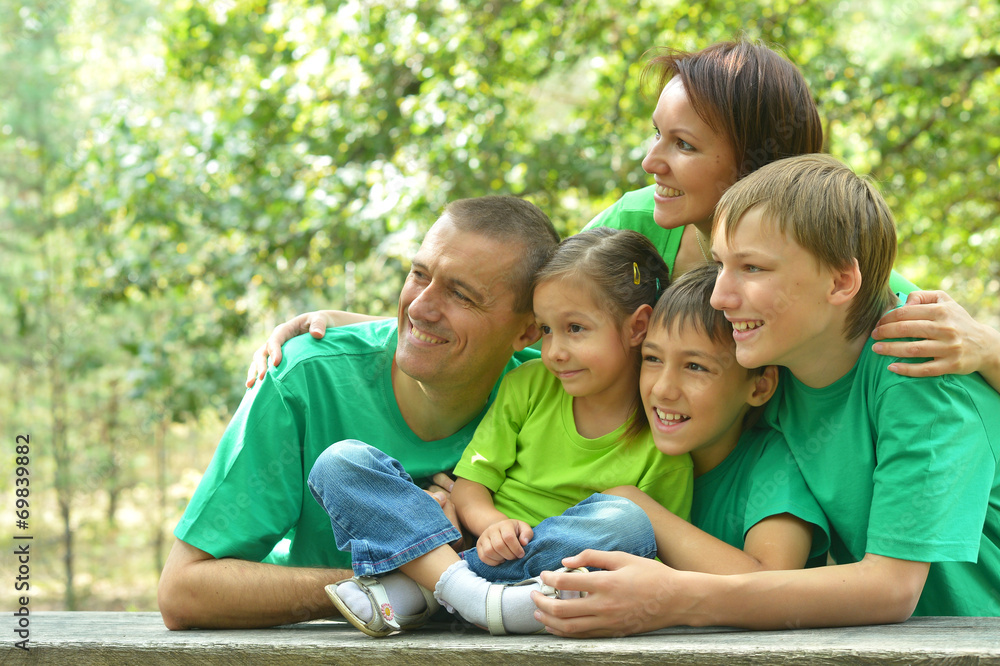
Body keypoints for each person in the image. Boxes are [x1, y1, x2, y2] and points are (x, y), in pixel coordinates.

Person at [246, 41, 1000, 392]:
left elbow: (892, 319)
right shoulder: (643, 220)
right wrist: (382, 328)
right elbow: (531, 311)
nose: (650, 161)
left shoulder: (824, 265)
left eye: (682, 144)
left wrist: (988, 347)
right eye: (655, 134)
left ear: (755, 165)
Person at [532, 154, 1000, 636]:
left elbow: (891, 588)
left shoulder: (918, 368)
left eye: (752, 268)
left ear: (841, 281)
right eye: (720, 266)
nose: (720, 296)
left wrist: (674, 597)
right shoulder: (778, 358)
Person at [156, 196, 560, 630]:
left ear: (527, 331)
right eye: (418, 275)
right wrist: (406, 577)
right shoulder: (303, 379)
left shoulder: (552, 390)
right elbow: (184, 591)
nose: (420, 307)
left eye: (461, 294)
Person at [306, 227, 692, 636]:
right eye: (545, 329)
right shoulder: (530, 383)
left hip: (547, 568)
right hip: (475, 543)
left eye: (575, 328)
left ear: (637, 327)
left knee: (627, 523)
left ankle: (432, 589)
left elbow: (647, 557)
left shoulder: (664, 440)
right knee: (341, 462)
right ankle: (475, 597)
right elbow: (470, 486)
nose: (555, 351)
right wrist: (492, 524)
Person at [607, 263, 830, 575]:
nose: (663, 389)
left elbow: (769, 581)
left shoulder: (775, 463)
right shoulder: (630, 446)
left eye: (695, 366)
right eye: (653, 359)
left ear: (760, 385)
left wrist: (636, 508)